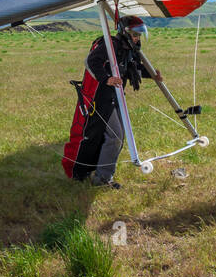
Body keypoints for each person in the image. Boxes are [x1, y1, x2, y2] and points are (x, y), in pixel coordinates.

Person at [61, 15, 162, 188]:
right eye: (135, 34)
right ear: (125, 32)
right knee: (115, 137)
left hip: (114, 98)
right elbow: (91, 61)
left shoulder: (127, 49)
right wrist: (106, 78)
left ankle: (102, 174)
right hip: (100, 99)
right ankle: (102, 179)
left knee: (118, 136)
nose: (137, 38)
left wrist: (152, 74)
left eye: (139, 35)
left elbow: (132, 67)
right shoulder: (111, 44)